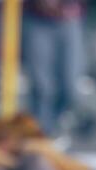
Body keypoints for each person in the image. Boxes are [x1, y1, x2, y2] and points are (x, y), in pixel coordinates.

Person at [22, 0, 86, 135]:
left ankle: (54, 123)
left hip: (69, 19)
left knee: (70, 86)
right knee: (43, 88)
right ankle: (42, 133)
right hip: (37, 19)